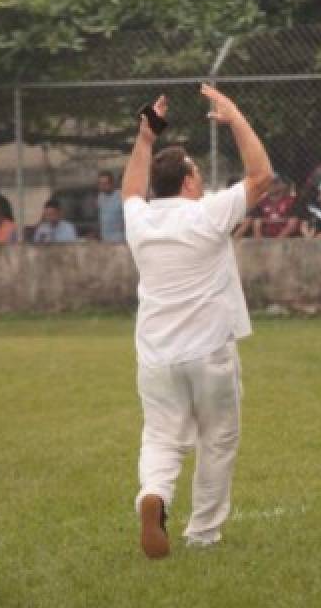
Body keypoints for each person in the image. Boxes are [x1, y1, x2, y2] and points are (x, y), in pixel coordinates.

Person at [122, 84, 272, 559]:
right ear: (188, 182)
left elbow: (130, 188)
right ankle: (203, 534)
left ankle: (154, 496)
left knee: (162, 436)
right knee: (218, 439)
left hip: (156, 356)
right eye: (199, 174)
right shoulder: (207, 214)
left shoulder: (140, 221)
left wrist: (146, 137)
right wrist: (235, 116)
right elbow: (261, 176)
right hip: (207, 353)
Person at [95, 171, 125, 243]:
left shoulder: (122, 196)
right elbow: (101, 218)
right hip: (104, 239)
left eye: (105, 183)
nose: (103, 186)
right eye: (100, 184)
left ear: (112, 183)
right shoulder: (100, 197)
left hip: (120, 240)